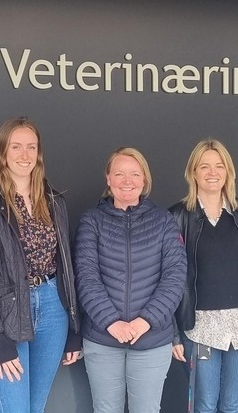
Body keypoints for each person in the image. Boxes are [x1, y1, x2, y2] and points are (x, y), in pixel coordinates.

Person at [0, 117, 81, 413]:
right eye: (16, 147)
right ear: (2, 152)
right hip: (7, 314)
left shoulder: (54, 202)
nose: (25, 155)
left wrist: (75, 328)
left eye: (31, 147)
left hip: (53, 308)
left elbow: (66, 265)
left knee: (35, 408)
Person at [169, 139, 238, 413]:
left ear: (228, 172)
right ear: (193, 172)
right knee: (204, 405)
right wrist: (173, 333)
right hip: (200, 328)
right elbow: (169, 279)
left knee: (231, 405)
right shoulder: (177, 216)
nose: (212, 172)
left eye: (219, 166)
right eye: (204, 166)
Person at [74, 147, 187, 413]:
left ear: (144, 180)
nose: (127, 181)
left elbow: (175, 276)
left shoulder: (163, 221)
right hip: (103, 339)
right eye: (120, 174)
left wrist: (144, 321)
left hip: (151, 340)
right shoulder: (92, 221)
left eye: (135, 174)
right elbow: (86, 275)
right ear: (108, 179)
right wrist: (111, 322)